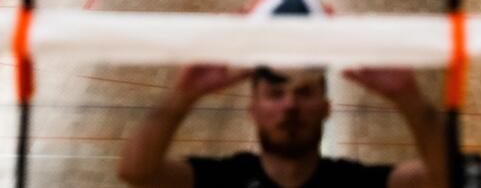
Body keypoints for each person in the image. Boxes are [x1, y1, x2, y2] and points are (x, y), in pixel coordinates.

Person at [118, 64, 448, 188]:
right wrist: (182, 95)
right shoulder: (221, 178)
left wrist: (410, 100)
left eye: (304, 93)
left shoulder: (354, 181)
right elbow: (137, 172)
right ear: (253, 110)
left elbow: (443, 178)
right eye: (275, 95)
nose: (289, 105)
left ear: (326, 109)